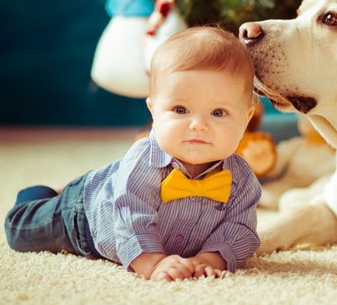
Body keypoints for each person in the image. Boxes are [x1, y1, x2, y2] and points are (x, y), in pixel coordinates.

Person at [5, 26, 261, 281]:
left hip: (110, 194)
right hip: (83, 218)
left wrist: (208, 259)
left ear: (245, 118)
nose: (198, 124)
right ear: (153, 110)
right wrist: (153, 263)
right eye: (180, 109)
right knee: (19, 231)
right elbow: (131, 216)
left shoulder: (242, 179)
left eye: (218, 113)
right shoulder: (145, 159)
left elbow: (239, 229)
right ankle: (42, 192)